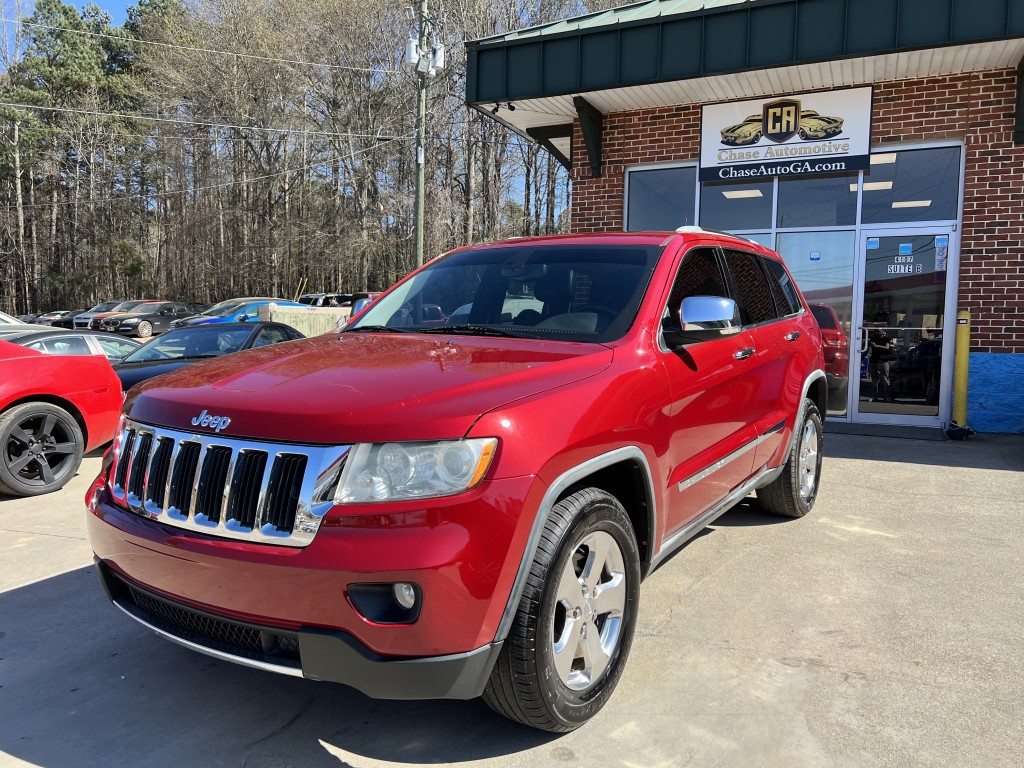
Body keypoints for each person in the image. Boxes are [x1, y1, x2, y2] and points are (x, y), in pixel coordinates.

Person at [868, 328, 893, 402]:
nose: (877, 332)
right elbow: (870, 346)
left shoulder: (886, 339)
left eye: (879, 331)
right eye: (876, 331)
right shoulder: (873, 338)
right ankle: (874, 396)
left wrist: (877, 346)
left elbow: (887, 347)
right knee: (874, 380)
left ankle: (887, 396)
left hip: (883, 360)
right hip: (874, 360)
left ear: (883, 331)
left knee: (885, 379)